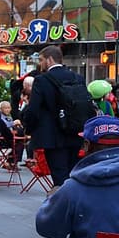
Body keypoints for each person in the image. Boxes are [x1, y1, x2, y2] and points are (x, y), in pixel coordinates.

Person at [21, 45, 87, 190]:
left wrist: (29, 128)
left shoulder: (42, 80)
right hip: (75, 133)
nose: (40, 63)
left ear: (49, 60)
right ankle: (74, 205)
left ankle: (63, 208)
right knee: (72, 175)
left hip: (53, 137)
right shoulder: (77, 78)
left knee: (59, 177)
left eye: (41, 60)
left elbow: (33, 109)